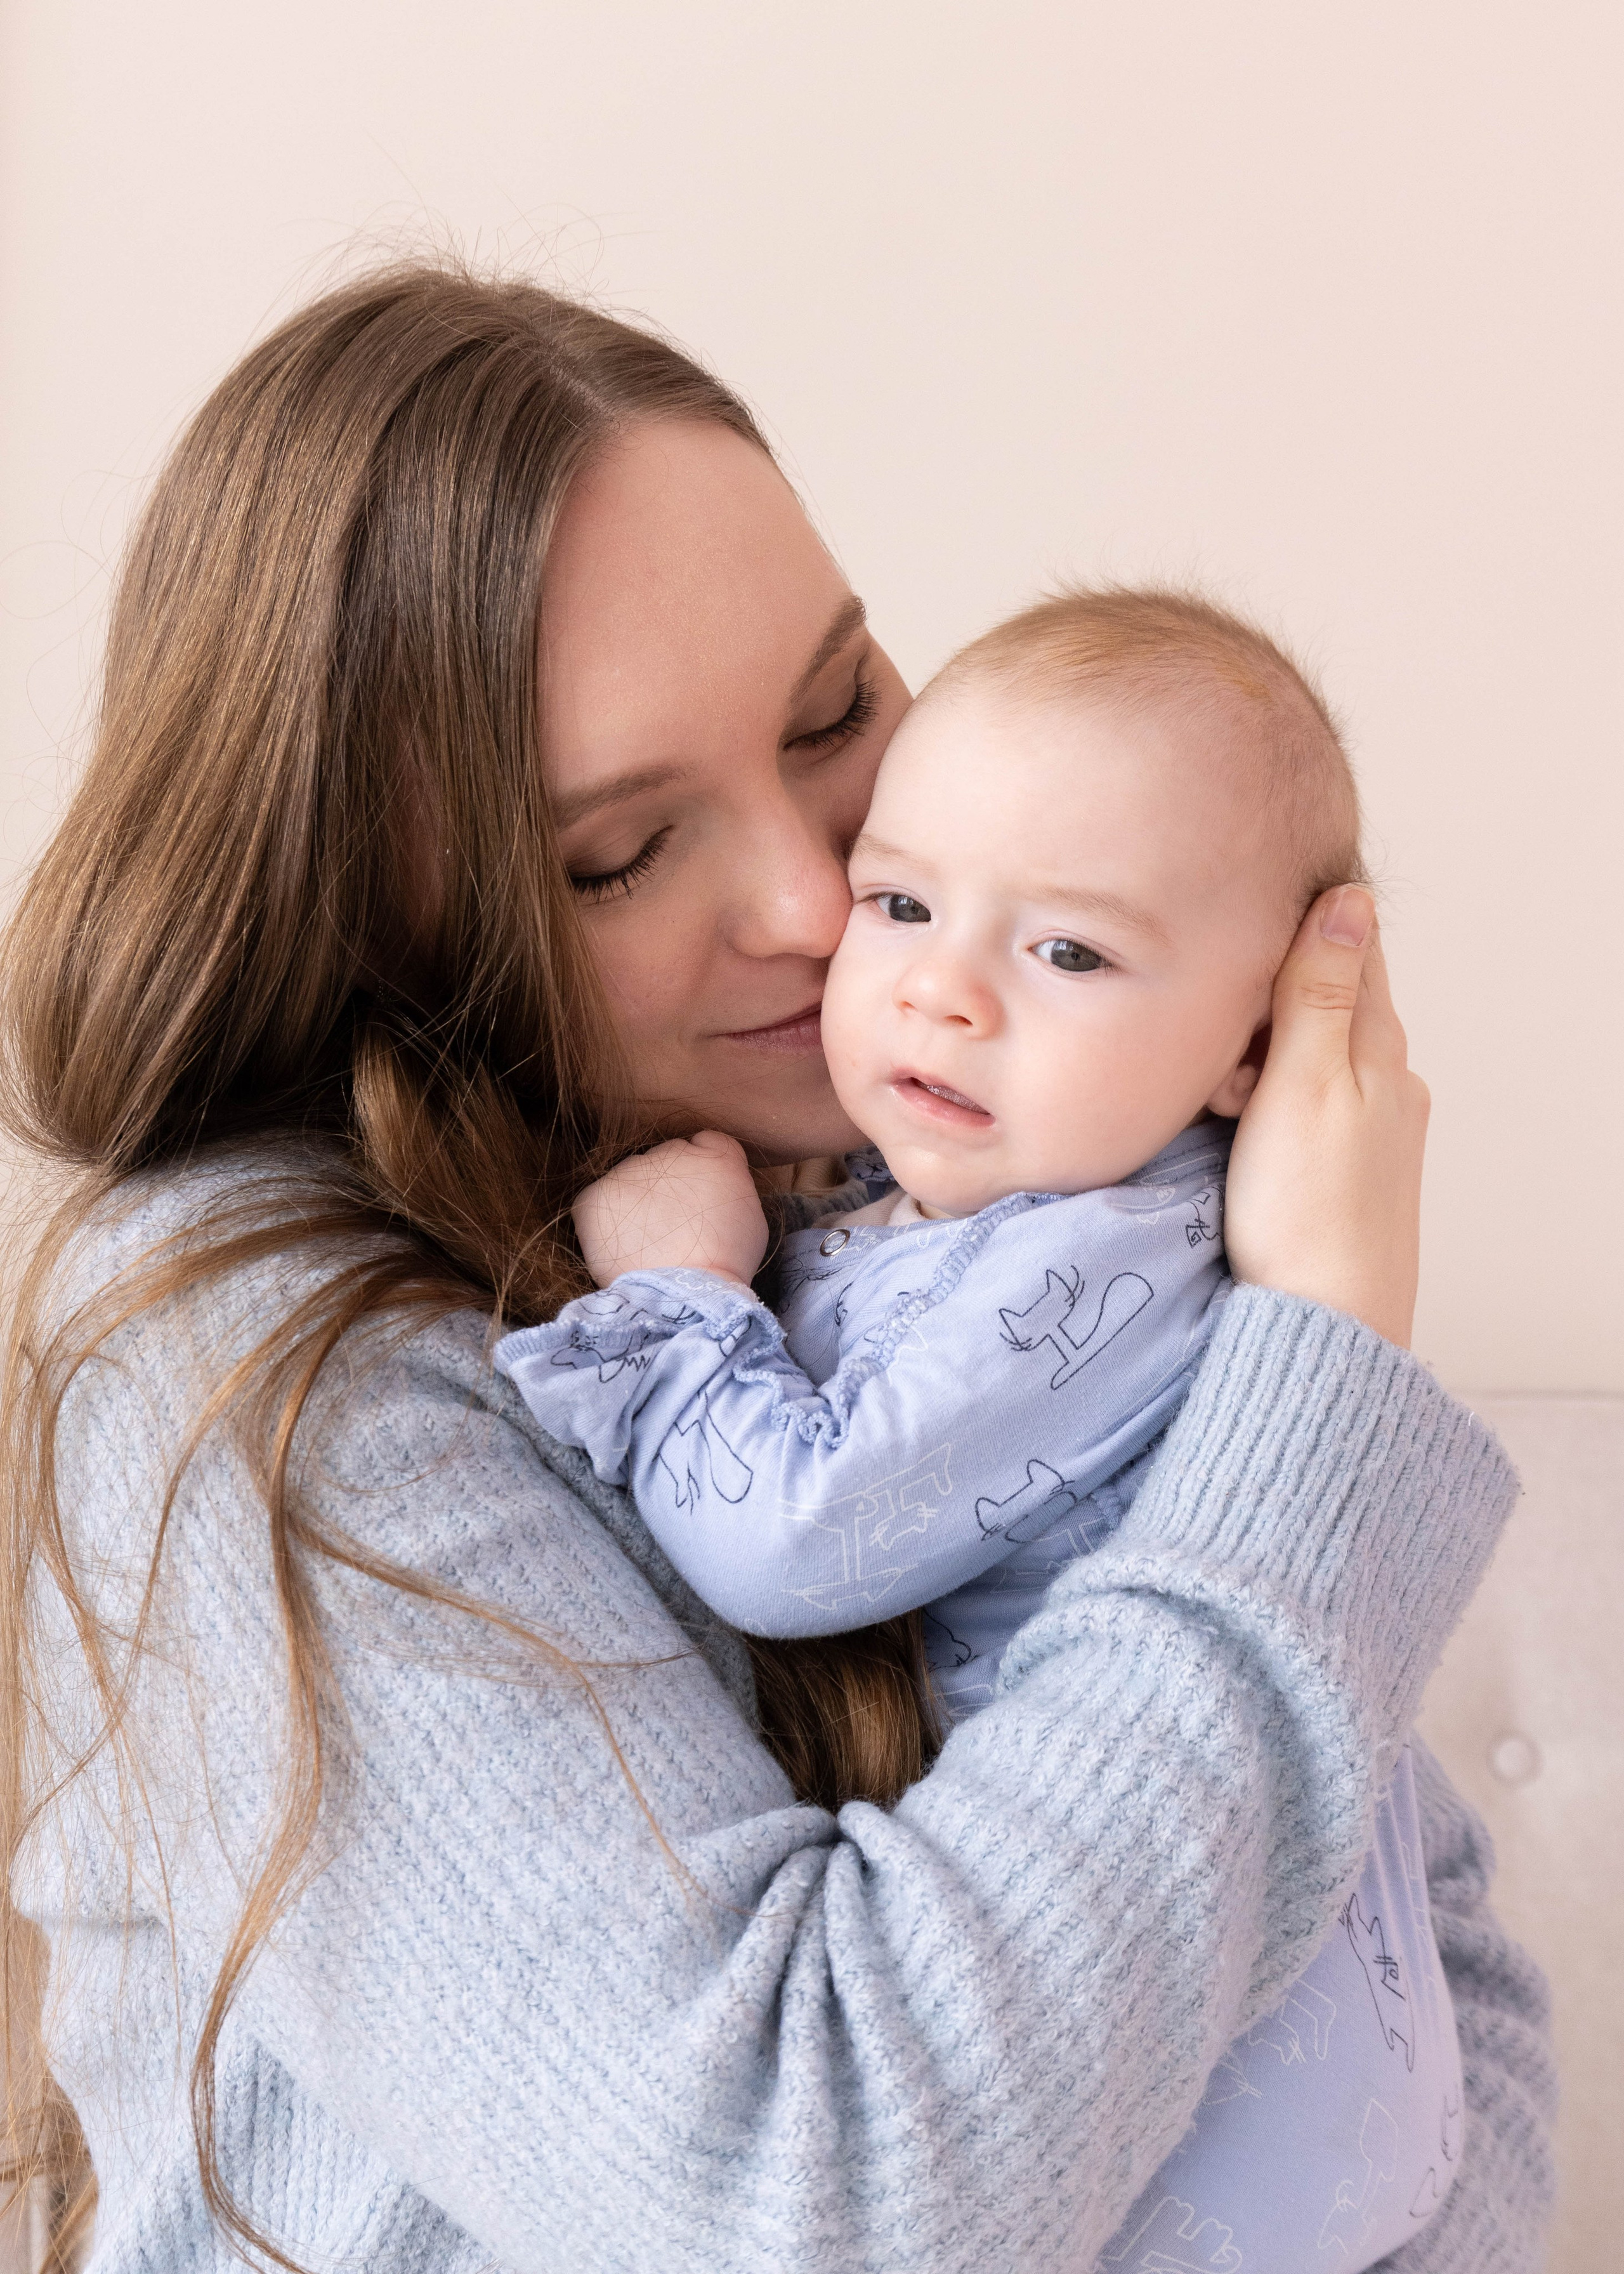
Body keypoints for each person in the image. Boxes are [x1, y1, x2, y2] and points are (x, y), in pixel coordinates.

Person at [0, 265, 1552, 2274]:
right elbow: (796, 2203)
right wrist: (1323, 1367)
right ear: (382, 916)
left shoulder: (941, 1210)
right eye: (620, 853)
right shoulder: (234, 1358)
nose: (827, 903)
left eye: (836, 712)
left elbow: (1433, 1983)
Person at [495, 584, 1461, 2270]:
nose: (941, 992)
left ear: (1258, 1042)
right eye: (905, 899)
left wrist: (684, 1291)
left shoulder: (1105, 1259)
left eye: (1068, 949)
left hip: (1210, 2102)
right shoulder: (971, 1203)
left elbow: (790, 1543)